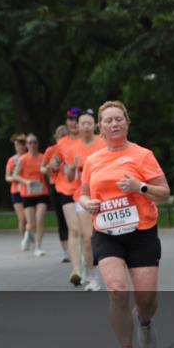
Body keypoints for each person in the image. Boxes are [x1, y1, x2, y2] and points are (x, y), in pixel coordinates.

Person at [79, 101, 170, 348]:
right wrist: (87, 203)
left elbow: (164, 193)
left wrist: (138, 187)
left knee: (147, 300)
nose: (114, 124)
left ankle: (144, 319)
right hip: (107, 233)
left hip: (141, 232)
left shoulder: (143, 155)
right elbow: (83, 193)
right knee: (118, 290)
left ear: (127, 123)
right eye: (108, 120)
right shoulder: (93, 160)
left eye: (119, 119)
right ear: (101, 127)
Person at [66, 109, 106, 290]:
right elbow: (69, 178)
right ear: (78, 126)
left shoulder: (103, 143)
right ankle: (92, 276)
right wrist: (71, 167)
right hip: (82, 197)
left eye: (89, 123)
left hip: (104, 195)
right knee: (88, 239)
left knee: (107, 236)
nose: (86, 126)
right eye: (83, 123)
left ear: (95, 125)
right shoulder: (73, 149)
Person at [13, 133, 49, 257]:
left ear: (37, 144)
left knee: (40, 220)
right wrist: (26, 182)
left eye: (34, 142)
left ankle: (38, 247)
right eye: (29, 142)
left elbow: (48, 173)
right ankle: (27, 234)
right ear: (26, 145)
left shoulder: (43, 157)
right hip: (27, 194)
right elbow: (15, 175)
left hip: (42, 192)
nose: (32, 144)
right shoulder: (23, 159)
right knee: (31, 223)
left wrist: (48, 170)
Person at [42, 125, 72, 263]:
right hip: (55, 185)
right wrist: (50, 167)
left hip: (71, 185)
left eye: (65, 136)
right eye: (61, 136)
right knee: (61, 218)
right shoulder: (51, 150)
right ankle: (66, 251)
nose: (63, 139)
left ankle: (76, 249)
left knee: (73, 219)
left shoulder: (73, 148)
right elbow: (43, 168)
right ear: (56, 137)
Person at [5, 134, 28, 248]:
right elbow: (7, 177)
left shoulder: (29, 157)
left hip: (28, 191)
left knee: (29, 218)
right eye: (16, 145)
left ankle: (29, 236)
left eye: (19, 145)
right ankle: (24, 239)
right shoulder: (12, 160)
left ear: (24, 146)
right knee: (22, 218)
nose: (18, 147)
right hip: (16, 191)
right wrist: (15, 178)